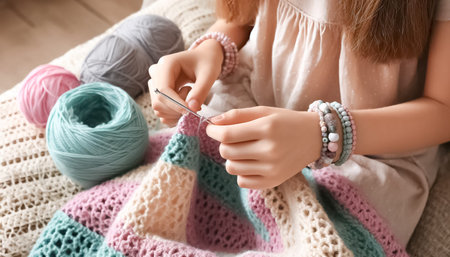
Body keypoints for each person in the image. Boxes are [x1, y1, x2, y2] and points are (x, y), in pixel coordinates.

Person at [148, 0, 450, 247]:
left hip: (371, 153)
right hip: (252, 94)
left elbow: (443, 109)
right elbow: (243, 14)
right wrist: (211, 47)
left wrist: (323, 134)